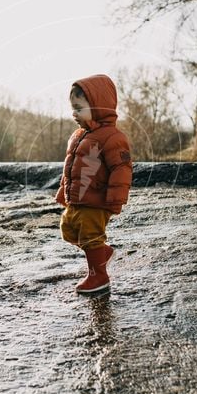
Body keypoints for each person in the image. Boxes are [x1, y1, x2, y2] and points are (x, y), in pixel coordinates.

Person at [56, 74, 133, 294]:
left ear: (98, 107)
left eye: (79, 109)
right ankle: (102, 252)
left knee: (90, 235)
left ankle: (99, 276)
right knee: (68, 229)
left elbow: (122, 167)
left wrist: (116, 198)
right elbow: (71, 168)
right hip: (79, 199)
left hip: (97, 199)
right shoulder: (79, 136)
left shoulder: (112, 137)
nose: (74, 115)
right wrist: (64, 193)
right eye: (72, 109)